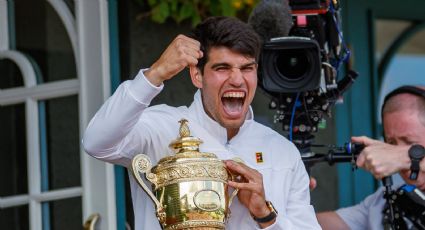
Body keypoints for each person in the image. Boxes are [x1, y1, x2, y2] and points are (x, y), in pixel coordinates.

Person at [83, 16, 320, 229]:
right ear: (197, 75)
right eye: (222, 68)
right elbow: (97, 143)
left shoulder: (283, 152)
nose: (237, 79)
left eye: (247, 68)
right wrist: (156, 73)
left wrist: (266, 216)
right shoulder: (160, 127)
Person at [316, 85, 425, 230]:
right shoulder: (382, 203)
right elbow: (305, 224)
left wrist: (406, 156)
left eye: (411, 143)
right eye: (390, 143)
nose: (393, 154)